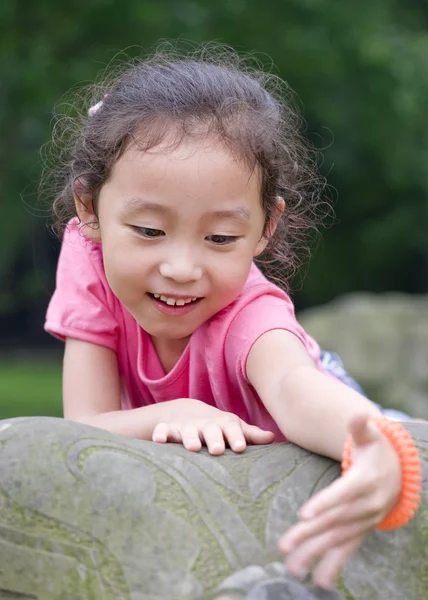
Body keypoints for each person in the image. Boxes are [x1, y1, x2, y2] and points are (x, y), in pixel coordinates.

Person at [43, 44, 421, 590]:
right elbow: (83, 424)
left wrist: (379, 444)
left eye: (220, 238)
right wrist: (177, 412)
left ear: (265, 228)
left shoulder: (251, 316)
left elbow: (294, 386)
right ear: (89, 210)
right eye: (149, 231)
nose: (180, 268)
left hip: (338, 402)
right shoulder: (89, 262)